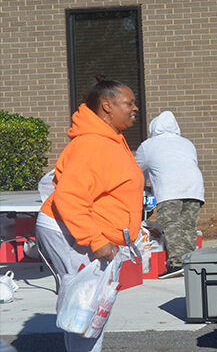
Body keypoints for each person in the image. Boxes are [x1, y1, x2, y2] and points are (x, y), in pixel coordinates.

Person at [35, 75, 143, 351]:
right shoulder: (92, 144)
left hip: (82, 228)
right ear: (107, 106)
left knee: (88, 304)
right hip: (69, 229)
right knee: (88, 303)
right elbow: (69, 197)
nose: (135, 108)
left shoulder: (110, 140)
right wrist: (96, 239)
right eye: (129, 103)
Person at [135, 110, 205, 279]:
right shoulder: (187, 143)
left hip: (169, 190)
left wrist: (142, 188)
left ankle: (177, 264)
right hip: (194, 188)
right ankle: (189, 262)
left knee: (171, 225)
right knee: (188, 226)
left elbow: (136, 172)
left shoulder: (148, 145)